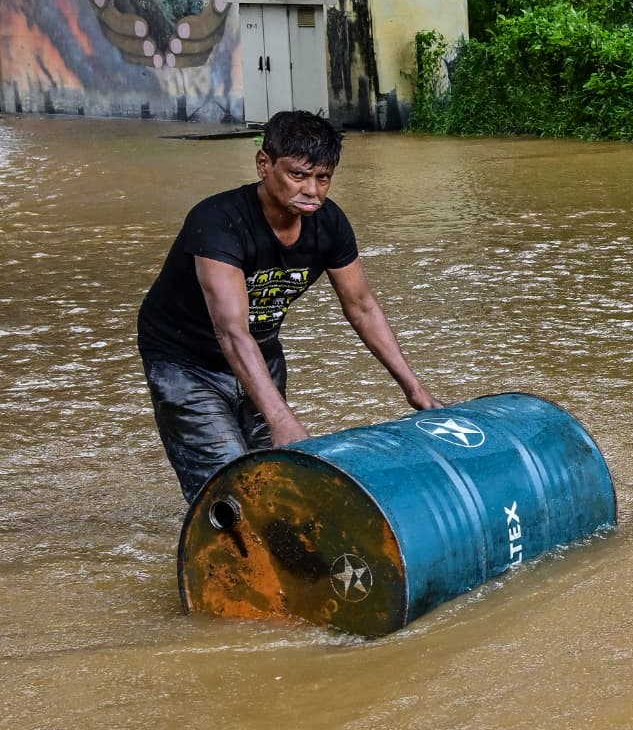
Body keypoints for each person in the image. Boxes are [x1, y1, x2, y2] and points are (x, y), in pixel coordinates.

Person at [137, 110, 439, 502]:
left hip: (261, 352)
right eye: (298, 175)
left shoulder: (329, 224)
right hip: (186, 362)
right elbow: (231, 332)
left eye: (323, 178)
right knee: (228, 483)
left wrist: (416, 391)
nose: (312, 190)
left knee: (275, 476)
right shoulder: (218, 222)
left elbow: (362, 308)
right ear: (264, 164)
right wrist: (281, 418)